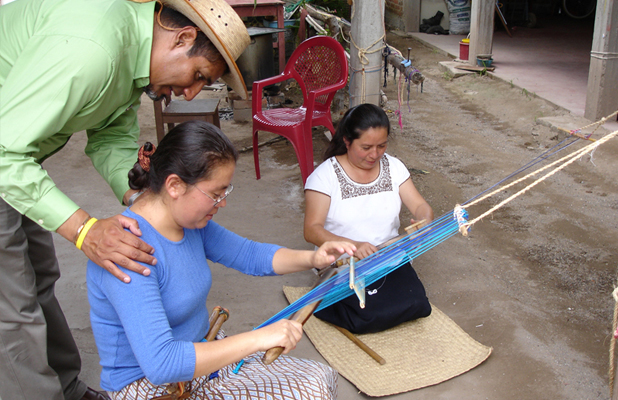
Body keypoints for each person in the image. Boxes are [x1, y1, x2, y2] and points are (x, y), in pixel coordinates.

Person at [0, 0, 250, 399]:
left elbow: (110, 138)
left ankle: (67, 389)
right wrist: (85, 230)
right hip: (5, 154)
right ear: (183, 37)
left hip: (15, 155)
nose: (190, 93)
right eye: (198, 75)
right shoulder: (92, 49)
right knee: (12, 307)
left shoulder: (129, 62)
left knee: (39, 276)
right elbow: (4, 153)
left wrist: (141, 197)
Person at [86, 120, 355, 399]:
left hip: (203, 354)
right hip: (152, 387)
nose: (222, 202)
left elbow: (249, 255)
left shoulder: (188, 222)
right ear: (175, 185)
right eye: (215, 194)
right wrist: (258, 339)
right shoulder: (126, 250)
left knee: (318, 377)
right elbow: (162, 363)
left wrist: (314, 257)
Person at [303, 103, 435, 334]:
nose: (375, 154)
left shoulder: (394, 168)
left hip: (388, 257)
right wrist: (354, 246)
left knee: (417, 304)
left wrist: (424, 222)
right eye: (366, 147)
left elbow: (420, 205)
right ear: (347, 141)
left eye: (381, 146)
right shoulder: (324, 177)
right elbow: (311, 230)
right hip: (344, 265)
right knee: (368, 316)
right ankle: (325, 298)